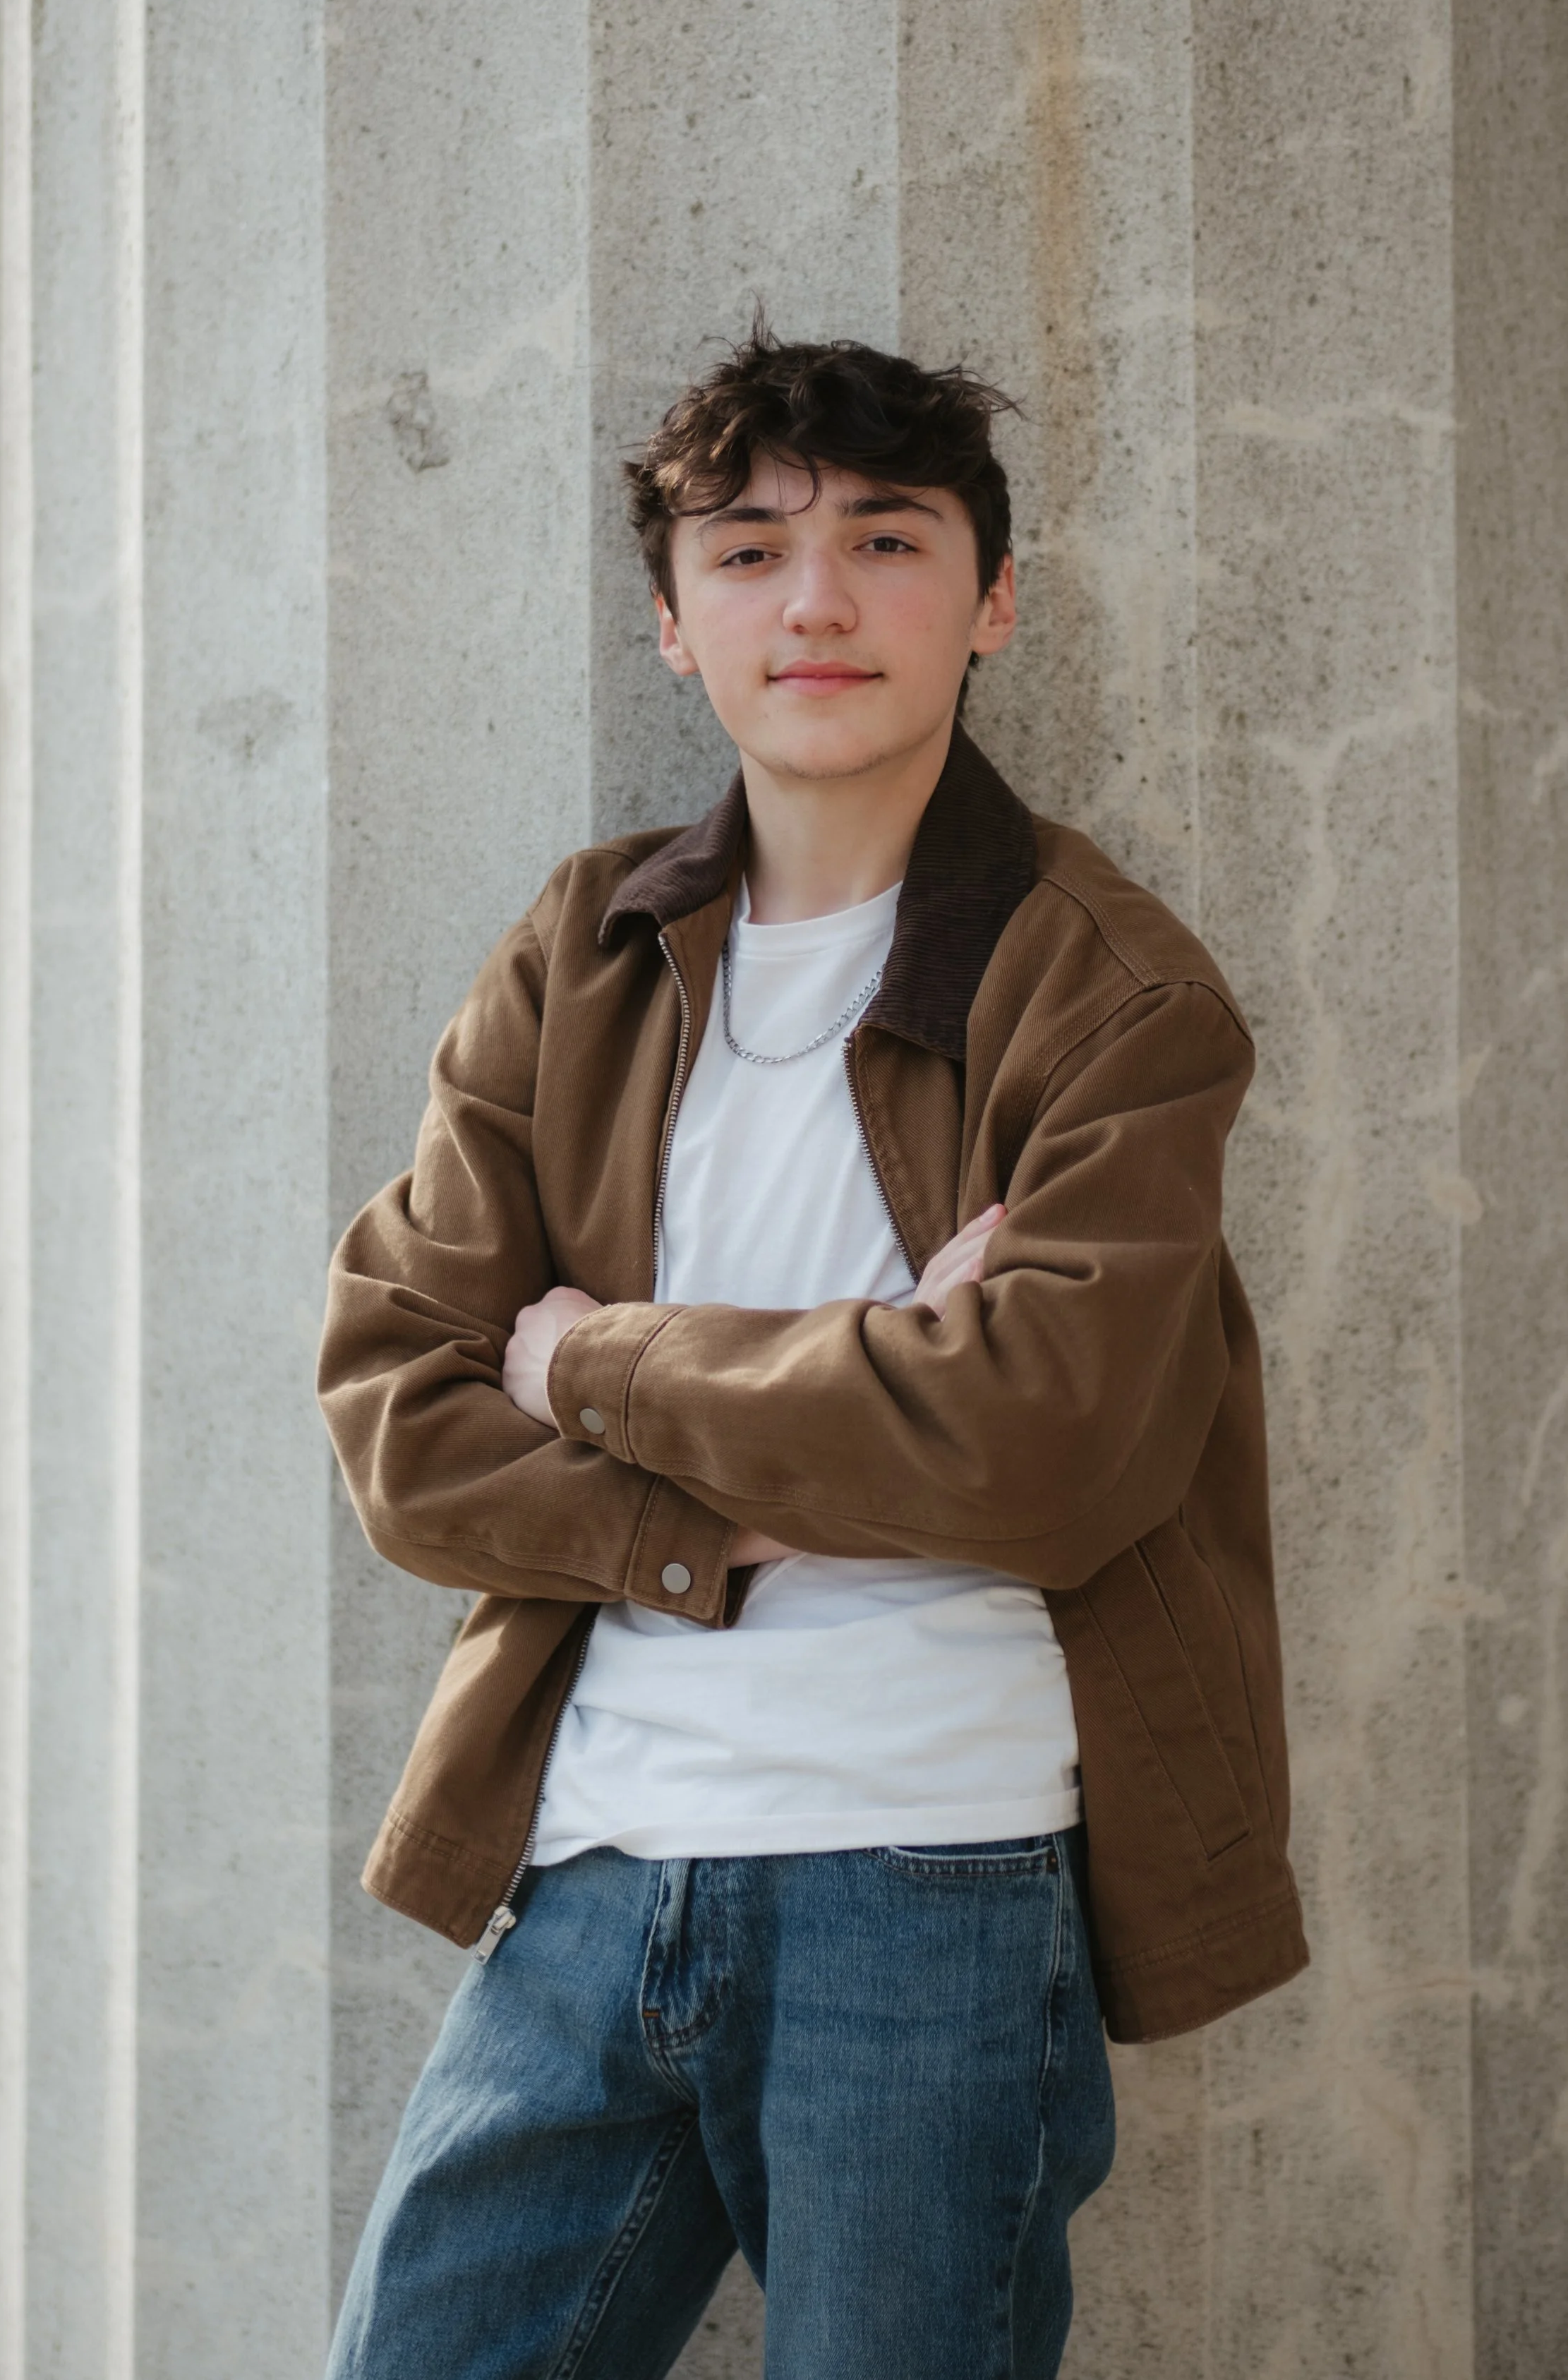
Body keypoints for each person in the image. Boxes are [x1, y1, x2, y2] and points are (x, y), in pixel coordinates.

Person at [317, 327, 1308, 2380]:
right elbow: (403, 1410)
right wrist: (836, 1412)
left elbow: (1037, 1446)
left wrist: (591, 1365)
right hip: (590, 1864)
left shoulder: (1106, 988)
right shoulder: (582, 950)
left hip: (926, 1873)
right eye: (749, 549)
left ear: (992, 598)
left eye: (885, 538)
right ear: (673, 626)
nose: (820, 598)